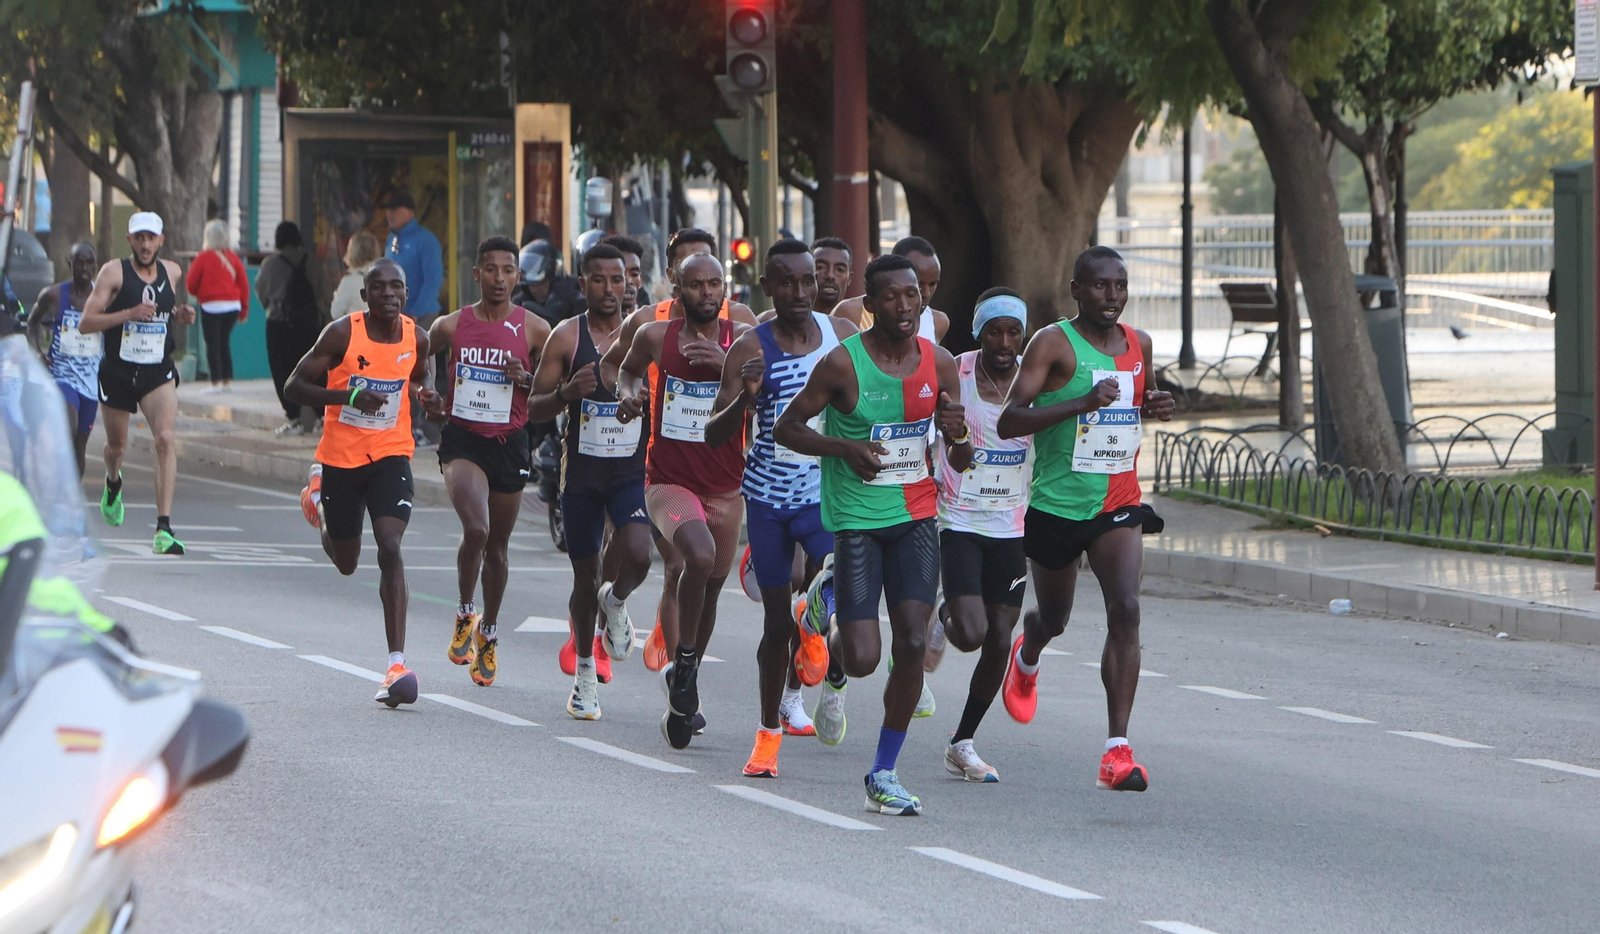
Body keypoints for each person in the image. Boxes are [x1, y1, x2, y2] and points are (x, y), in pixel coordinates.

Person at [774, 253, 970, 816]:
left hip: (915, 517)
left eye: (913, 295)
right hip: (858, 518)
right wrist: (845, 448)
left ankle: (884, 771)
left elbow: (963, 456)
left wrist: (956, 437)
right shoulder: (843, 363)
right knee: (861, 659)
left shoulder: (941, 364)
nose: (906, 306)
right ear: (870, 304)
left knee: (911, 644)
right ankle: (819, 608)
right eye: (892, 297)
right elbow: (788, 426)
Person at [995, 246, 1176, 792]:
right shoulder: (1052, 343)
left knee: (1126, 608)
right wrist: (1080, 404)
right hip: (1055, 504)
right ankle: (1029, 651)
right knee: (1055, 618)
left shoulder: (1138, 344)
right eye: (1100, 286)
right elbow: (1009, 421)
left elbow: (1126, 409)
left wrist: (1152, 407)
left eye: (1120, 286)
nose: (1112, 297)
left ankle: (1116, 751)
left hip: (1117, 500)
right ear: (1076, 290)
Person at [706, 238, 856, 777]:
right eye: (787, 282)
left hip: (824, 495)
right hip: (768, 500)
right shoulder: (750, 347)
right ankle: (768, 734)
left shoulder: (840, 338)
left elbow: (861, 407)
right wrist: (745, 400)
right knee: (774, 627)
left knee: (836, 586)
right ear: (768, 286)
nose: (800, 292)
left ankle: (813, 626)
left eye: (808, 281)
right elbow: (712, 435)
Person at [611, 251, 749, 749]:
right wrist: (629, 395)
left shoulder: (743, 338)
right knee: (697, 554)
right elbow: (625, 371)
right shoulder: (655, 335)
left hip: (727, 488)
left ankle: (683, 681)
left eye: (715, 283)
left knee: (709, 591)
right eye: (696, 285)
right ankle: (684, 660)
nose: (707, 293)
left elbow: (775, 388)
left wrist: (729, 369)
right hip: (667, 482)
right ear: (677, 287)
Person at [289, 258, 435, 707]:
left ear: (406, 295)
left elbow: (418, 375)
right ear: (365, 294)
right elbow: (295, 387)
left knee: (390, 546)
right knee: (347, 560)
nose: (390, 294)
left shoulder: (418, 336)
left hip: (392, 453)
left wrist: (425, 393)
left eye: (398, 287)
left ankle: (396, 664)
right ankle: (320, 506)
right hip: (341, 458)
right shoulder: (341, 334)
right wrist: (348, 395)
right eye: (381, 288)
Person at [529, 243, 655, 719]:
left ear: (629, 282)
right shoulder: (566, 337)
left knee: (639, 553)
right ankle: (585, 673)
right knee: (584, 578)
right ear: (583, 285)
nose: (609, 289)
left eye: (618, 280)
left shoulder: (646, 332)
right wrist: (566, 392)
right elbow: (533, 408)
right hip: (580, 477)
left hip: (627, 474)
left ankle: (616, 599)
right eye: (599, 280)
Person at [422, 237, 550, 688]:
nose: (499, 278)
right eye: (490, 269)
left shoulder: (535, 329)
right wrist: (431, 391)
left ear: (518, 276)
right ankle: (464, 611)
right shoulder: (453, 324)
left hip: (510, 443)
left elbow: (553, 387)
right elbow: (425, 352)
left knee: (497, 547)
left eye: (507, 270)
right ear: (476, 274)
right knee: (475, 529)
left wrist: (528, 378)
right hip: (463, 440)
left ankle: (489, 633)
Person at [924, 288, 1032, 783]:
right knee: (971, 633)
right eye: (995, 331)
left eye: (1013, 331)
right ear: (978, 332)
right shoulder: (958, 372)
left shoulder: (1037, 379)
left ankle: (962, 742)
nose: (1004, 341)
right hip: (961, 518)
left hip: (1012, 525)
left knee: (1001, 638)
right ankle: (942, 614)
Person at [77, 212, 197, 555]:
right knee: (118, 446)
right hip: (117, 371)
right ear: (130, 240)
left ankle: (163, 528)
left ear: (161, 240)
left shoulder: (172, 271)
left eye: (151, 238)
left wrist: (181, 315)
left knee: (165, 438)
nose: (146, 245)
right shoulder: (113, 272)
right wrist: (128, 313)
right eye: (139, 238)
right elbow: (87, 322)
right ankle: (113, 481)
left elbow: (166, 311)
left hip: (156, 370)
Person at [28, 242, 100, 475]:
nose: (84, 267)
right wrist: (38, 351)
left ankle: (73, 498)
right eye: (78, 261)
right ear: (69, 264)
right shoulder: (54, 295)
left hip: (91, 381)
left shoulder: (104, 297)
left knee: (80, 444)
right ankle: (58, 484)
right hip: (62, 375)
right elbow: (32, 322)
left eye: (89, 261)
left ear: (96, 265)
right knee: (69, 431)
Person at [255, 221, 327, 435]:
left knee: (282, 370)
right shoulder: (312, 261)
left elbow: (261, 293)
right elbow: (322, 290)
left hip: (280, 323)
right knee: (314, 370)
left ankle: (293, 417)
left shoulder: (270, 264)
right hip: (309, 324)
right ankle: (322, 416)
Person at [830, 236, 950, 343]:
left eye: (933, 284)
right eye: (918, 284)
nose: (926, 293)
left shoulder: (938, 322)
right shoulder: (852, 312)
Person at [185, 220, 251, 394]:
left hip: (211, 306)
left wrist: (199, 293)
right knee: (224, 343)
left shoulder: (202, 258)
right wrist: (244, 309)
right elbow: (243, 284)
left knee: (212, 344)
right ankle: (227, 381)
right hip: (232, 306)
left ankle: (215, 382)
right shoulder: (233, 258)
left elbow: (191, 283)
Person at [383, 190, 444, 325]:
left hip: (422, 316)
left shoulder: (426, 240)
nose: (389, 214)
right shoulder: (390, 240)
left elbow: (433, 280)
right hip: (395, 315)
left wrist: (416, 312)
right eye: (388, 209)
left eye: (395, 209)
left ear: (410, 212)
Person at [512, 239, 585, 328]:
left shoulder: (574, 296)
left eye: (541, 283)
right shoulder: (519, 300)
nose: (535, 288)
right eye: (531, 284)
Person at [329, 231, 383, 320]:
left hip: (356, 331)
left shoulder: (349, 282)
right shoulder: (382, 279)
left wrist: (336, 295)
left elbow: (335, 313)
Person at [812, 236, 853, 318]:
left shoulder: (861, 326)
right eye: (820, 267)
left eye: (840, 270)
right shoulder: (787, 323)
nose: (830, 275)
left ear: (849, 279)